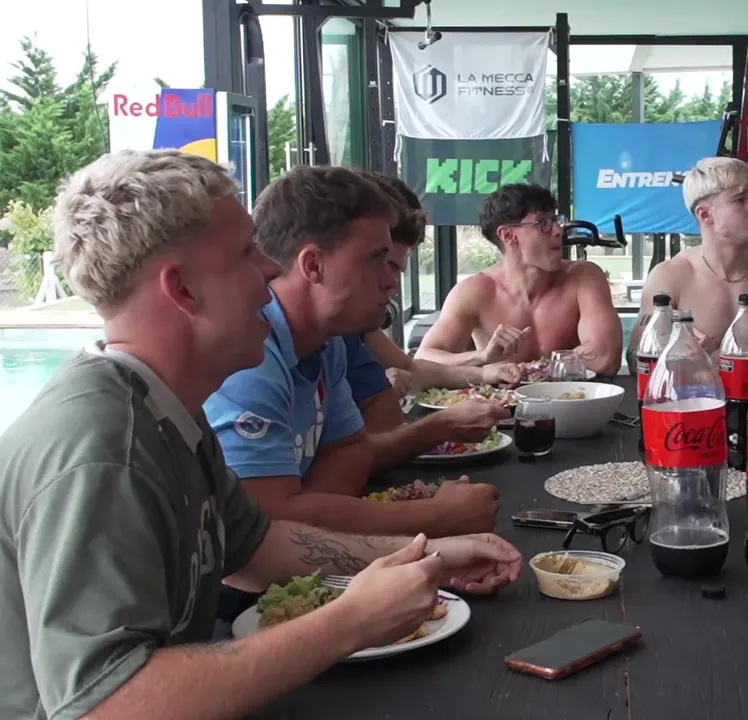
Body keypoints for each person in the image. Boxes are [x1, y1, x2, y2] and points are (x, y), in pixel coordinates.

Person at [0, 149, 522, 719]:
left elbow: (255, 550)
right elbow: (104, 705)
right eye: (246, 253)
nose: (272, 271)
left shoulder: (167, 406)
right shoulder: (104, 448)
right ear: (183, 289)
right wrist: (350, 621)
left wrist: (429, 557)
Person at [203, 165, 500, 538]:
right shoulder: (251, 358)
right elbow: (265, 527)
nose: (391, 282)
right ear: (313, 265)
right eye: (376, 260)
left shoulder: (328, 340)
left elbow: (352, 452)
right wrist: (437, 515)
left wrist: (306, 510)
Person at [342, 170, 519, 472]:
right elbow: (355, 454)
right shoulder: (276, 349)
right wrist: (441, 424)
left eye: (397, 269)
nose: (392, 285)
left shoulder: (350, 331)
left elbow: (409, 373)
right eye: (381, 264)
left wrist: (483, 371)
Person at [627, 157, 748, 371]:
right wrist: (675, 348)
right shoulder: (669, 277)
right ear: (705, 214)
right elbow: (636, 360)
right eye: (740, 199)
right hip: (690, 391)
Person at [414, 183, 623, 376]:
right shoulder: (474, 292)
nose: (559, 230)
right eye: (543, 223)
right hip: (500, 404)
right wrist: (482, 358)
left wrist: (529, 370)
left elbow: (605, 357)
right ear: (508, 235)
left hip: (573, 401)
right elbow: (424, 359)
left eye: (555, 220)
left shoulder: (584, 277)